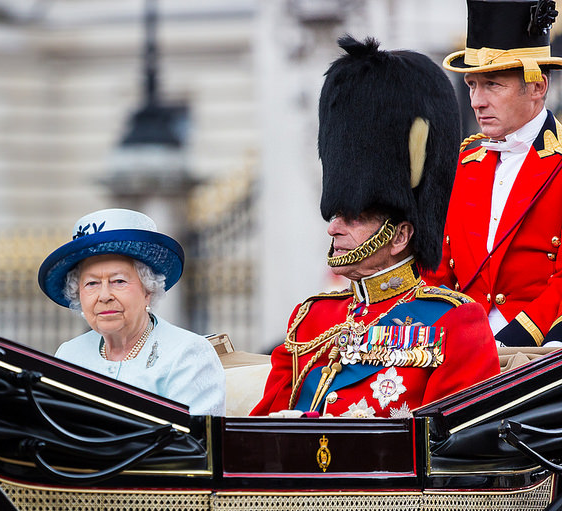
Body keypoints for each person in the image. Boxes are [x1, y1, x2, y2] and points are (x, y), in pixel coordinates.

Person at [251, 36, 501, 418]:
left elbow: (446, 449)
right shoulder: (311, 319)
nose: (333, 228)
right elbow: (259, 429)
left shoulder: (453, 321)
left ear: (400, 236)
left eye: (353, 217)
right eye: (336, 215)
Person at [424, 0, 562, 346]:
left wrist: (509, 340)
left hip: (535, 354)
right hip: (461, 350)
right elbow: (437, 273)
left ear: (537, 87)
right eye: (472, 85)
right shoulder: (462, 163)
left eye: (493, 85)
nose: (476, 101)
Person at [38, 207, 226, 416]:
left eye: (118, 281)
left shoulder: (188, 353)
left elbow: (192, 445)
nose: (104, 295)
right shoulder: (69, 355)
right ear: (78, 294)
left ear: (148, 289)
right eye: (91, 283)